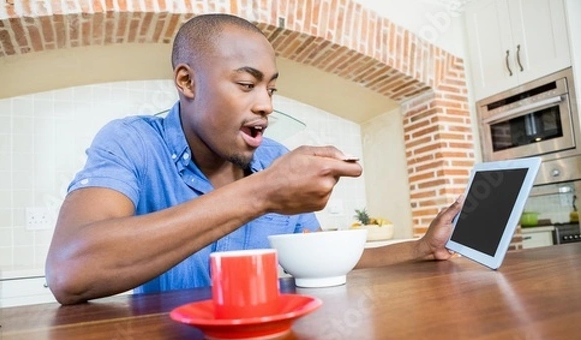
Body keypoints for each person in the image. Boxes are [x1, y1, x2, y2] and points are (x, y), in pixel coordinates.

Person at [45, 13, 463, 305]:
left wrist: (420, 249)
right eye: (246, 84)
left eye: (271, 89)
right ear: (187, 81)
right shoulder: (131, 142)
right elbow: (70, 272)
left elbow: (319, 258)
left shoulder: (274, 158)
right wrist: (261, 193)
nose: (265, 104)